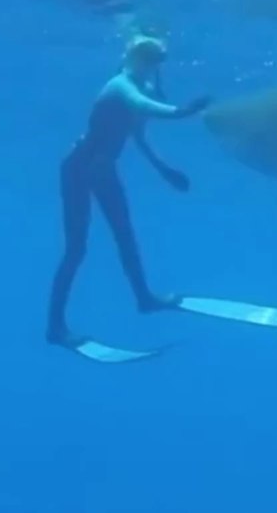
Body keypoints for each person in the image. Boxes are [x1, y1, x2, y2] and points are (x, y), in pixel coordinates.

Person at [46, 32, 210, 348]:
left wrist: (165, 170)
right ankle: (55, 327)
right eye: (145, 57)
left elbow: (140, 137)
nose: (148, 64)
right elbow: (143, 104)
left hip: (103, 170)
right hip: (78, 168)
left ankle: (144, 298)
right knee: (76, 249)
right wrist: (185, 111)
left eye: (155, 60)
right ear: (131, 57)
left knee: (126, 237)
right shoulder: (119, 86)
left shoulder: (142, 86)